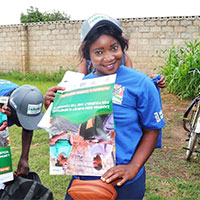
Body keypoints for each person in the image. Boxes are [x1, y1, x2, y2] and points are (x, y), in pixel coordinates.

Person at [44, 13, 165, 199]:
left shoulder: (141, 83)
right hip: (86, 178)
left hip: (124, 181)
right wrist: (54, 109)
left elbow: (152, 130)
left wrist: (133, 167)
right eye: (99, 52)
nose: (108, 57)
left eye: (114, 48)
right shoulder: (82, 85)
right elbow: (73, 128)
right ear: (88, 55)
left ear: (122, 47)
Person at [0, 79, 44, 197]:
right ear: (9, 110)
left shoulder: (23, 96)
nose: (27, 124)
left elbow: (28, 127)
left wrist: (24, 158)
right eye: (22, 120)